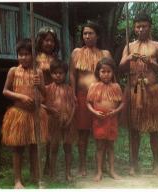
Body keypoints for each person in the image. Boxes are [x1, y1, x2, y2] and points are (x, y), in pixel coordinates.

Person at [119, 13, 158, 175]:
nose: (141, 29)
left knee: (154, 129)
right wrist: (128, 59)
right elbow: (120, 68)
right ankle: (134, 165)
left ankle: (155, 164)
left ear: (149, 27)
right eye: (138, 26)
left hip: (152, 90)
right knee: (134, 129)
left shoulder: (157, 45)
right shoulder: (129, 46)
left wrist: (151, 63)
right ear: (134, 28)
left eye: (144, 26)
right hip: (133, 91)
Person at [1, 38, 48, 189]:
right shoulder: (13, 71)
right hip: (19, 113)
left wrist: (39, 85)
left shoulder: (38, 72)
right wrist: (20, 96)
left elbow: (45, 94)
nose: (23, 57)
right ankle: (17, 180)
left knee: (35, 147)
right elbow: (5, 91)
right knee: (18, 148)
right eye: (20, 54)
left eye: (27, 54)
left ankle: (35, 176)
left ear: (33, 56)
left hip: (35, 114)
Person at [70, 21, 112, 176]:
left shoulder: (105, 54)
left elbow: (111, 75)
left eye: (90, 33)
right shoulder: (76, 53)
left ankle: (103, 166)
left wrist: (112, 97)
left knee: (103, 133)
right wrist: (73, 94)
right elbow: (72, 74)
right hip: (82, 96)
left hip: (101, 98)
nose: (87, 36)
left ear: (97, 35)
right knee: (83, 133)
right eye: (85, 33)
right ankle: (82, 166)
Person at [86, 57, 124, 182]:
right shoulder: (94, 86)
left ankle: (112, 170)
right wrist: (94, 112)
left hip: (112, 119)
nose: (106, 74)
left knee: (111, 146)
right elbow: (88, 103)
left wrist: (116, 111)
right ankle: (99, 171)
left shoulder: (116, 86)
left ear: (113, 73)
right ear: (98, 72)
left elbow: (122, 103)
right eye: (103, 71)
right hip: (99, 120)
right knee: (100, 146)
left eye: (108, 72)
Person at [44, 59, 77, 181]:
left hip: (68, 122)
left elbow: (74, 105)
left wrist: (70, 119)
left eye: (61, 73)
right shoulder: (47, 88)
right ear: (51, 73)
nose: (58, 75)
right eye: (55, 73)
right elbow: (40, 104)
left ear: (65, 74)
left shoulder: (69, 89)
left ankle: (68, 173)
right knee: (54, 147)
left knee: (68, 147)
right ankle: (52, 173)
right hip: (53, 122)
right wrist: (49, 109)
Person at [35, 26, 60, 175]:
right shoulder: (35, 59)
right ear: (40, 41)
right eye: (45, 40)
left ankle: (50, 166)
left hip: (53, 97)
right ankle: (39, 165)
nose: (49, 43)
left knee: (52, 135)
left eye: (51, 40)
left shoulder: (56, 60)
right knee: (41, 134)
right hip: (39, 96)